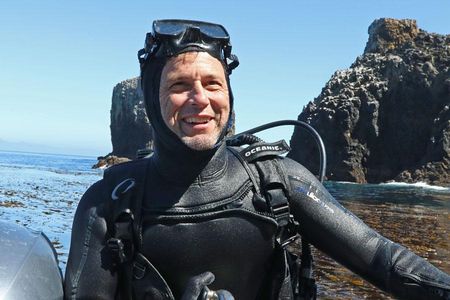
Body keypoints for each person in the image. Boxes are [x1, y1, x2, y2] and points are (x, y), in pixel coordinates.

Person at [64, 19, 450, 300]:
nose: (200, 99)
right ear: (152, 98)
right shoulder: (110, 204)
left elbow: (384, 259)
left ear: (228, 96)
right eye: (180, 85)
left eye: (213, 84)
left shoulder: (275, 181)